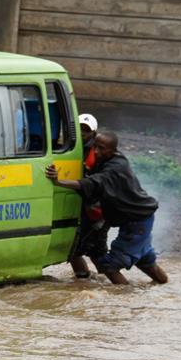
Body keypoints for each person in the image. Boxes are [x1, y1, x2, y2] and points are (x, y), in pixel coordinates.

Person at [45, 130, 168, 285]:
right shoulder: (109, 160)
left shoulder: (115, 168)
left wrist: (59, 182)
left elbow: (93, 183)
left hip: (137, 222)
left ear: (113, 150)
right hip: (139, 219)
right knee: (145, 262)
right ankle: (164, 284)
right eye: (95, 146)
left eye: (101, 148)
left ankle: (125, 298)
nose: (96, 151)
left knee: (109, 265)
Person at [69, 113, 108, 278]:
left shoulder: (99, 152)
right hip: (84, 205)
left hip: (96, 208)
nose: (82, 132)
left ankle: (112, 281)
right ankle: (83, 278)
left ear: (93, 132)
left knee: (96, 251)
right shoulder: (70, 146)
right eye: (78, 128)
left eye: (85, 130)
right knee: (74, 248)